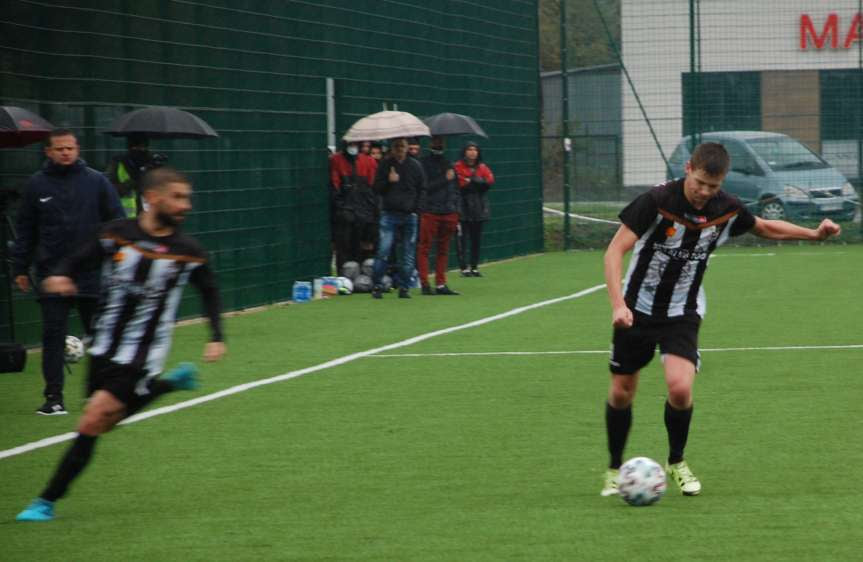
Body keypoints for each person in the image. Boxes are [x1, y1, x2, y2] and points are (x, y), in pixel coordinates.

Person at [600, 142, 840, 498]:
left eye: (712, 186)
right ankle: (615, 468)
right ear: (688, 169)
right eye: (699, 182)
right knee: (622, 391)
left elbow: (763, 227)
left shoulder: (725, 208)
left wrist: (814, 234)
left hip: (682, 310)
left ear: (722, 182)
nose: (703, 192)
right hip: (637, 308)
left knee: (680, 388)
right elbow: (614, 250)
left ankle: (677, 462)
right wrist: (618, 305)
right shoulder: (657, 201)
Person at [15, 167, 226, 522]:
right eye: (177, 197)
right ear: (154, 198)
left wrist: (217, 335)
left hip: (141, 354)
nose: (185, 205)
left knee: (93, 417)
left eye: (187, 198)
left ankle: (46, 500)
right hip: (103, 345)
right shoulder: (117, 234)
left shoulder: (188, 251)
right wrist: (62, 274)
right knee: (106, 422)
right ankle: (167, 385)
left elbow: (209, 291)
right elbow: (81, 257)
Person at [12, 129, 126, 415]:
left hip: (91, 274)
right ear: (48, 152)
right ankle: (54, 398)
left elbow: (117, 221)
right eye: (59, 148)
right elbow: (25, 231)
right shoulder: (36, 185)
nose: (65, 153)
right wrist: (20, 268)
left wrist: (116, 255)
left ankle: (98, 392)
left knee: (100, 335)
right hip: (51, 276)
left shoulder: (97, 181)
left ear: (77, 150)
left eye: (70, 148)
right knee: (53, 337)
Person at [371, 137, 426, 299]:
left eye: (402, 146)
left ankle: (404, 286)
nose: (400, 149)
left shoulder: (415, 166)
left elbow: (422, 188)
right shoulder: (385, 165)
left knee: (408, 253)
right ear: (392, 149)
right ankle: (377, 284)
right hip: (390, 213)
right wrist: (389, 182)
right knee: (384, 250)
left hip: (409, 214)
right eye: (396, 146)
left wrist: (417, 209)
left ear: (407, 147)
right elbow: (377, 188)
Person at [417, 136, 460, 295]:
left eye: (441, 140)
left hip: (448, 212)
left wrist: (456, 209)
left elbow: (455, 188)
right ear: (430, 143)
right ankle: (425, 284)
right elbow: (425, 187)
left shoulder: (449, 163)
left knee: (443, 249)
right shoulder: (424, 163)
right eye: (436, 140)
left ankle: (441, 284)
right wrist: (444, 179)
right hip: (430, 211)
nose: (439, 143)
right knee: (425, 248)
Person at [329, 140, 379, 270]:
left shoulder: (368, 162)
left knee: (358, 246)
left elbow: (372, 188)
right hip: (349, 212)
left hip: (360, 212)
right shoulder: (337, 160)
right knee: (345, 246)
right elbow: (335, 186)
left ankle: (354, 274)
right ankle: (346, 274)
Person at [454, 142, 494, 277]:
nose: (472, 152)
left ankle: (474, 267)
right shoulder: (457, 166)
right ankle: (463, 267)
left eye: (475, 149)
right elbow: (459, 182)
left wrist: (475, 181)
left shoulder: (482, 167)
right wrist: (472, 182)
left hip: (478, 207)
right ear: (464, 152)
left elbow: (489, 181)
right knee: (462, 238)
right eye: (469, 149)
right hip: (462, 206)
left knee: (476, 238)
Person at [105, 134, 167, 217]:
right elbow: (110, 191)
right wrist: (133, 179)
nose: (141, 150)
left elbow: (162, 189)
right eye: (137, 147)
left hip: (149, 218)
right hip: (125, 218)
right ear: (130, 147)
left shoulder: (151, 163)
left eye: (144, 147)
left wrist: (155, 170)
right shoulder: (119, 163)